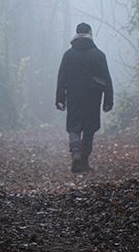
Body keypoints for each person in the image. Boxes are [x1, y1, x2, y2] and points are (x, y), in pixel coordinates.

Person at [54, 22, 113, 173]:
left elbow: (62, 78)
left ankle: (75, 153)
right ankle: (84, 161)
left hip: (74, 95)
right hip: (93, 96)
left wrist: (60, 98)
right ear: (90, 33)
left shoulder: (68, 55)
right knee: (89, 127)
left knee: (74, 126)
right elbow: (106, 78)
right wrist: (108, 100)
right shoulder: (99, 55)